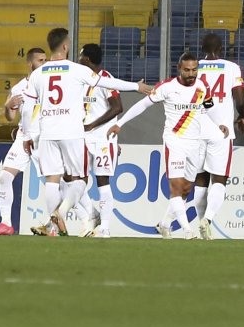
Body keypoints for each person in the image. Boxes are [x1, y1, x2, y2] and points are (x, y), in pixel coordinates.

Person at [22, 28, 151, 237]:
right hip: (73, 133)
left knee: (53, 180)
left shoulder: (37, 74)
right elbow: (109, 82)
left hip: (47, 134)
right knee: (79, 179)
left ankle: (54, 224)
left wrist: (28, 135)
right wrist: (135, 86)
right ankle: (61, 215)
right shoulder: (75, 70)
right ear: (65, 46)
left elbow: (27, 108)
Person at [108, 52, 228, 240]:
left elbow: (210, 106)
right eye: (187, 70)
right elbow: (143, 105)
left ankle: (164, 224)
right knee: (176, 188)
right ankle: (188, 232)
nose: (191, 74)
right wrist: (120, 124)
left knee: (187, 189)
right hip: (174, 142)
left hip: (194, 143)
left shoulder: (202, 86)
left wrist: (220, 123)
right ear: (179, 69)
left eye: (194, 70)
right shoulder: (167, 87)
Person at [0, 47, 47, 236]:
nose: (44, 64)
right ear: (30, 64)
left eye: (46, 60)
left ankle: (75, 219)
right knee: (4, 177)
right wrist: (7, 106)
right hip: (23, 137)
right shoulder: (19, 88)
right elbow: (11, 117)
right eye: (40, 60)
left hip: (43, 138)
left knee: (53, 183)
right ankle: (6, 223)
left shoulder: (49, 84)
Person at [191, 33, 244, 240]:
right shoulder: (231, 67)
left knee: (200, 179)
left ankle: (199, 225)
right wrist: (242, 115)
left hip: (197, 129)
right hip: (222, 131)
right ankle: (208, 219)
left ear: (202, 48)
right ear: (222, 48)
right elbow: (239, 96)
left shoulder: (193, 67)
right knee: (219, 179)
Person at [69, 43, 123, 238]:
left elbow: (117, 107)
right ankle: (92, 214)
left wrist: (93, 125)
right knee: (74, 179)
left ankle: (105, 227)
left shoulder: (106, 79)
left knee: (103, 181)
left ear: (88, 60)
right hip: (81, 138)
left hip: (102, 139)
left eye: (81, 56)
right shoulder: (80, 80)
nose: (78, 59)